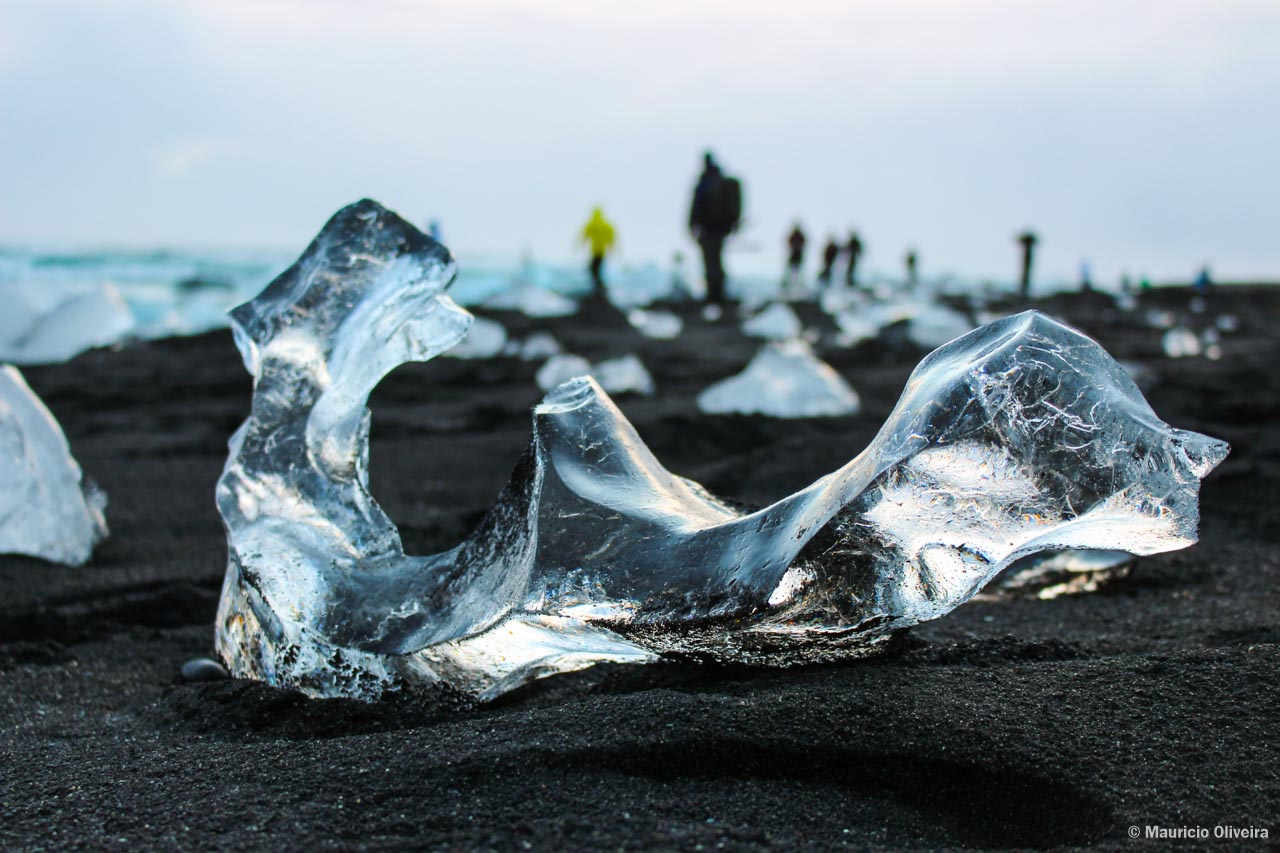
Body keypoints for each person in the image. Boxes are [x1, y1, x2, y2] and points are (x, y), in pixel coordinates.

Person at [688, 151, 742, 306]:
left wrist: (692, 224)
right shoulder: (716, 182)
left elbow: (696, 207)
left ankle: (715, 295)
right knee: (715, 261)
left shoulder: (707, 183)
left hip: (710, 230)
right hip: (718, 229)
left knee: (712, 262)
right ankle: (716, 295)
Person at [579, 207, 616, 296]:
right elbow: (611, 238)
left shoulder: (592, 224)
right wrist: (612, 248)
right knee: (596, 270)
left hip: (595, 251)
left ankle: (598, 287)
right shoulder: (606, 225)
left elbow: (584, 235)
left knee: (593, 269)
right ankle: (598, 287)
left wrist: (580, 244)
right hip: (602, 252)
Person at [783, 223, 806, 299]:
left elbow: (804, 241)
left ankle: (798, 283)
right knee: (791, 269)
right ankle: (789, 282)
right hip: (794, 254)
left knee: (797, 270)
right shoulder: (795, 235)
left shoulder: (799, 235)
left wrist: (798, 246)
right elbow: (789, 241)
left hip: (797, 254)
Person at [1016, 230, 1038, 299]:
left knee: (1025, 274)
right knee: (1025, 274)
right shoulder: (1027, 249)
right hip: (1026, 258)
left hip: (1027, 259)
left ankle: (1024, 293)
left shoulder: (1028, 249)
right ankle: (1023, 293)